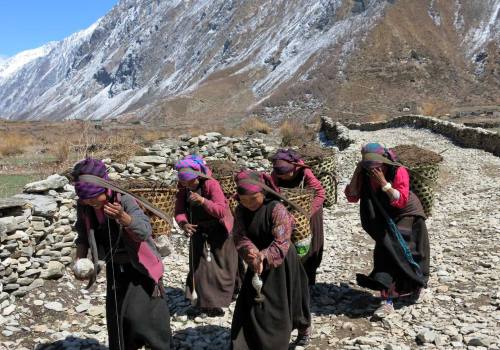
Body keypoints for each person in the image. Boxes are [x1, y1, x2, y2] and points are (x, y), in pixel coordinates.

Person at [73, 158, 171, 350]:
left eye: (94, 198)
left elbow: (143, 231)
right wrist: (80, 258)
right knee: (118, 316)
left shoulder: (124, 199)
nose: (91, 203)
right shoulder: (85, 206)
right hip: (115, 268)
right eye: (86, 200)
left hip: (141, 267)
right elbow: (83, 235)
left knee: (145, 316)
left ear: (104, 187)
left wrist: (122, 217)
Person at [345, 143, 430, 318]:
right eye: (368, 165)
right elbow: (352, 196)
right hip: (384, 216)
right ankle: (387, 299)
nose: (373, 169)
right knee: (385, 252)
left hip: (408, 214)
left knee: (409, 251)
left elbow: (401, 200)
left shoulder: (398, 171)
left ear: (384, 161)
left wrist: (383, 182)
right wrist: (358, 172)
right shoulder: (364, 173)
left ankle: (416, 285)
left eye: (377, 165)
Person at [231, 170, 311, 349]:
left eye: (253, 199)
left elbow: (281, 240)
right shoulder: (240, 210)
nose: (249, 203)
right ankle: (253, 340)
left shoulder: (276, 209)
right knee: (254, 302)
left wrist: (264, 256)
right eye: (244, 200)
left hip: (281, 261)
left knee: (289, 298)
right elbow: (239, 235)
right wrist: (251, 252)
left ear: (263, 193)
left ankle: (301, 331)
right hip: (255, 260)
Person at [174, 155, 238, 317]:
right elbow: (179, 210)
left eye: (191, 182)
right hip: (198, 229)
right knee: (200, 267)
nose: (188, 185)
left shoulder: (211, 184)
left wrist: (203, 201)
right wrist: (183, 223)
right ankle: (206, 303)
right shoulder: (183, 188)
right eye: (184, 182)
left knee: (222, 266)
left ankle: (226, 296)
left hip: (219, 230)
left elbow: (221, 211)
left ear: (199, 176)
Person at [271, 149, 326, 285]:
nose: (283, 178)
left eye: (286, 174)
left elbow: (320, 194)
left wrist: (305, 214)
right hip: (285, 213)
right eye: (280, 175)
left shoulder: (304, 172)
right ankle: (288, 279)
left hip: (308, 213)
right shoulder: (275, 175)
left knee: (309, 244)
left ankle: (307, 280)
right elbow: (272, 192)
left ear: (294, 168)